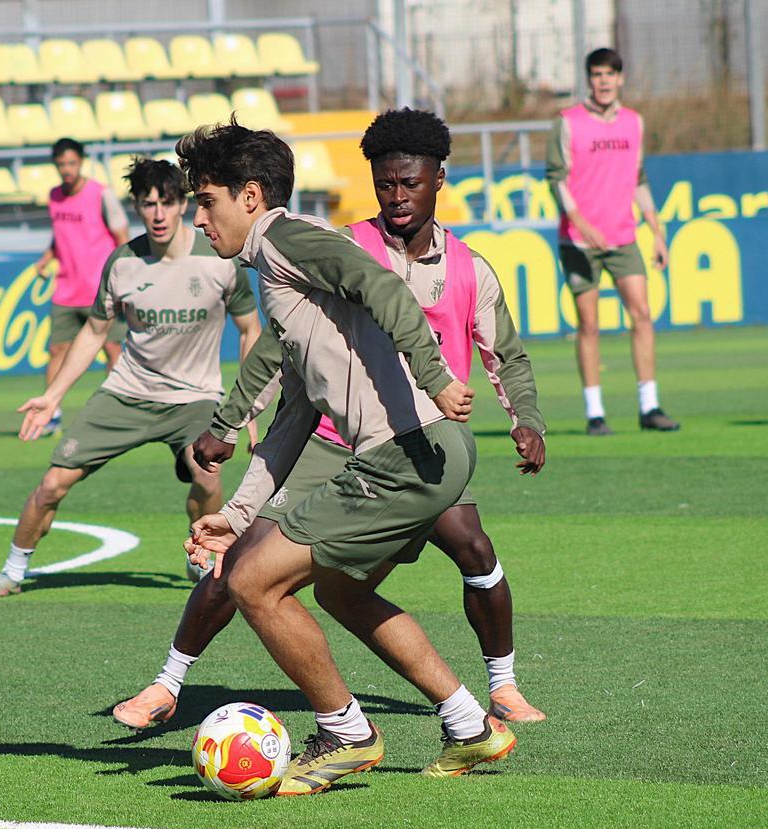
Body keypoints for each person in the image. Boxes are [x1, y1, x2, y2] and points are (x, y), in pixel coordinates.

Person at [114, 108, 548, 734]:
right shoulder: (284, 266)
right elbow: (295, 411)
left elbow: (392, 295)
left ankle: (345, 732)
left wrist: (439, 378)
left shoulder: (292, 239)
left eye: (205, 202)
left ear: (252, 196)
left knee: (254, 581)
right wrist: (234, 513)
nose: (198, 218)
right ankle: (468, 723)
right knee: (336, 591)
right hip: (407, 449)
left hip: (406, 448)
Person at [0, 158, 262, 599]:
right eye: (149, 205)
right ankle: (12, 573)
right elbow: (94, 331)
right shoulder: (123, 262)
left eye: (167, 203)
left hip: (194, 399)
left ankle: (197, 552)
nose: (159, 214)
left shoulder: (219, 260)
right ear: (136, 207)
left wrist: (248, 413)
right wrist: (52, 396)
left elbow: (250, 332)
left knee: (207, 480)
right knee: (52, 484)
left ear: (182, 205)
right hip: (126, 394)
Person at [546, 47, 679, 436]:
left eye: (610, 74)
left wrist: (656, 230)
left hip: (622, 237)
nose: (604, 81)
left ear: (620, 79)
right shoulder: (568, 122)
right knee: (589, 324)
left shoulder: (633, 123)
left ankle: (649, 405)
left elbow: (637, 178)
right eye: (597, 74)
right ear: (589, 79)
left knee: (642, 313)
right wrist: (579, 221)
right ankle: (595, 412)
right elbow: (555, 177)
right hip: (579, 242)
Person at [34, 137, 131, 436]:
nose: (66, 169)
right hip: (66, 289)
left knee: (112, 349)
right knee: (57, 350)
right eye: (61, 163)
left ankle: (118, 414)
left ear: (81, 162)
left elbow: (122, 237)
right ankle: (51, 413)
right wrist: (47, 257)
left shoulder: (100, 194)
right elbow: (61, 235)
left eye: (71, 163)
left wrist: (125, 278)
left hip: (99, 289)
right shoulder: (54, 196)